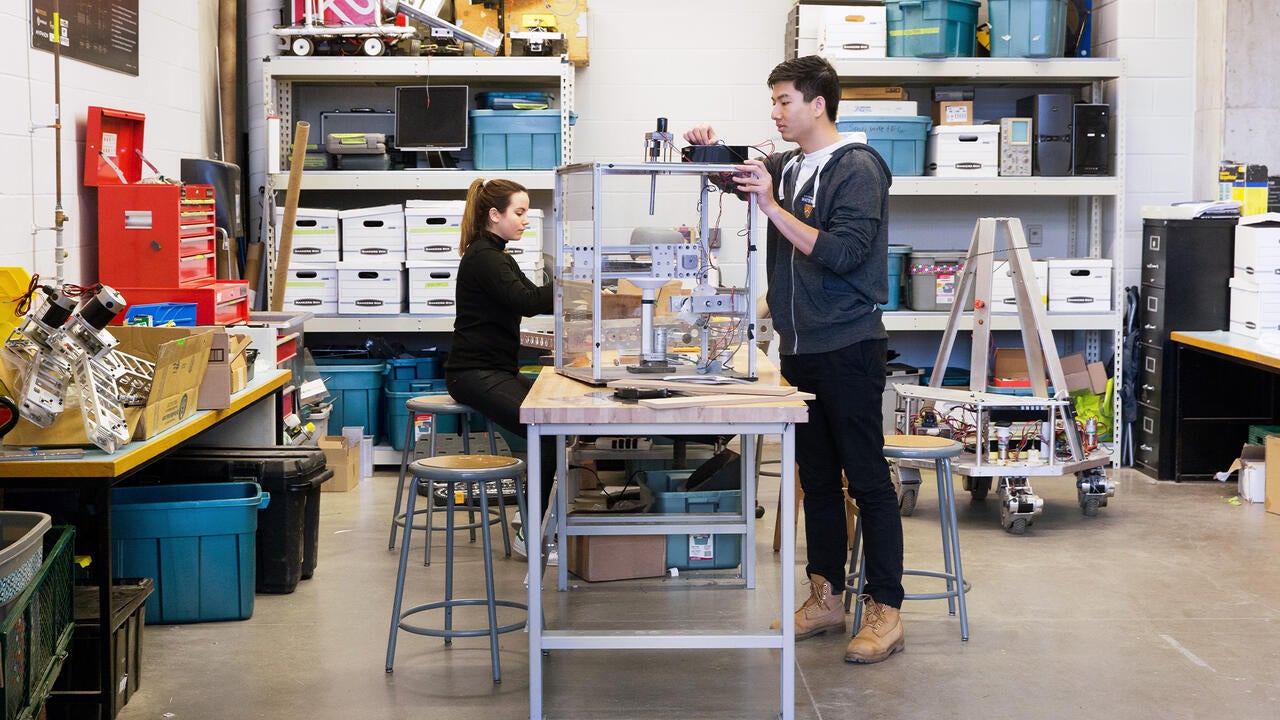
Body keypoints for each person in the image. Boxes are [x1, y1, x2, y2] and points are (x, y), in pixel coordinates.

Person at [684, 55, 903, 664]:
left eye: (784, 101)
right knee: (816, 481)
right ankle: (826, 595)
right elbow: (736, 176)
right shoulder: (789, 164)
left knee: (867, 481)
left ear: (817, 104)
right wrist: (706, 153)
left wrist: (772, 209)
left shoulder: (857, 168)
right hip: (799, 349)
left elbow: (846, 252)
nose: (775, 112)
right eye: (774, 101)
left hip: (849, 346)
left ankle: (887, 608)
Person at [444, 178, 558, 562]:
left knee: (554, 420)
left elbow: (528, 296)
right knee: (546, 433)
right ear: (495, 215)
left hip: (495, 370)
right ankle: (531, 530)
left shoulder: (498, 255)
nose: (525, 220)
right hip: (473, 374)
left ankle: (536, 514)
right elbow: (526, 300)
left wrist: (571, 289)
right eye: (519, 212)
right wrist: (573, 283)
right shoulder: (485, 257)